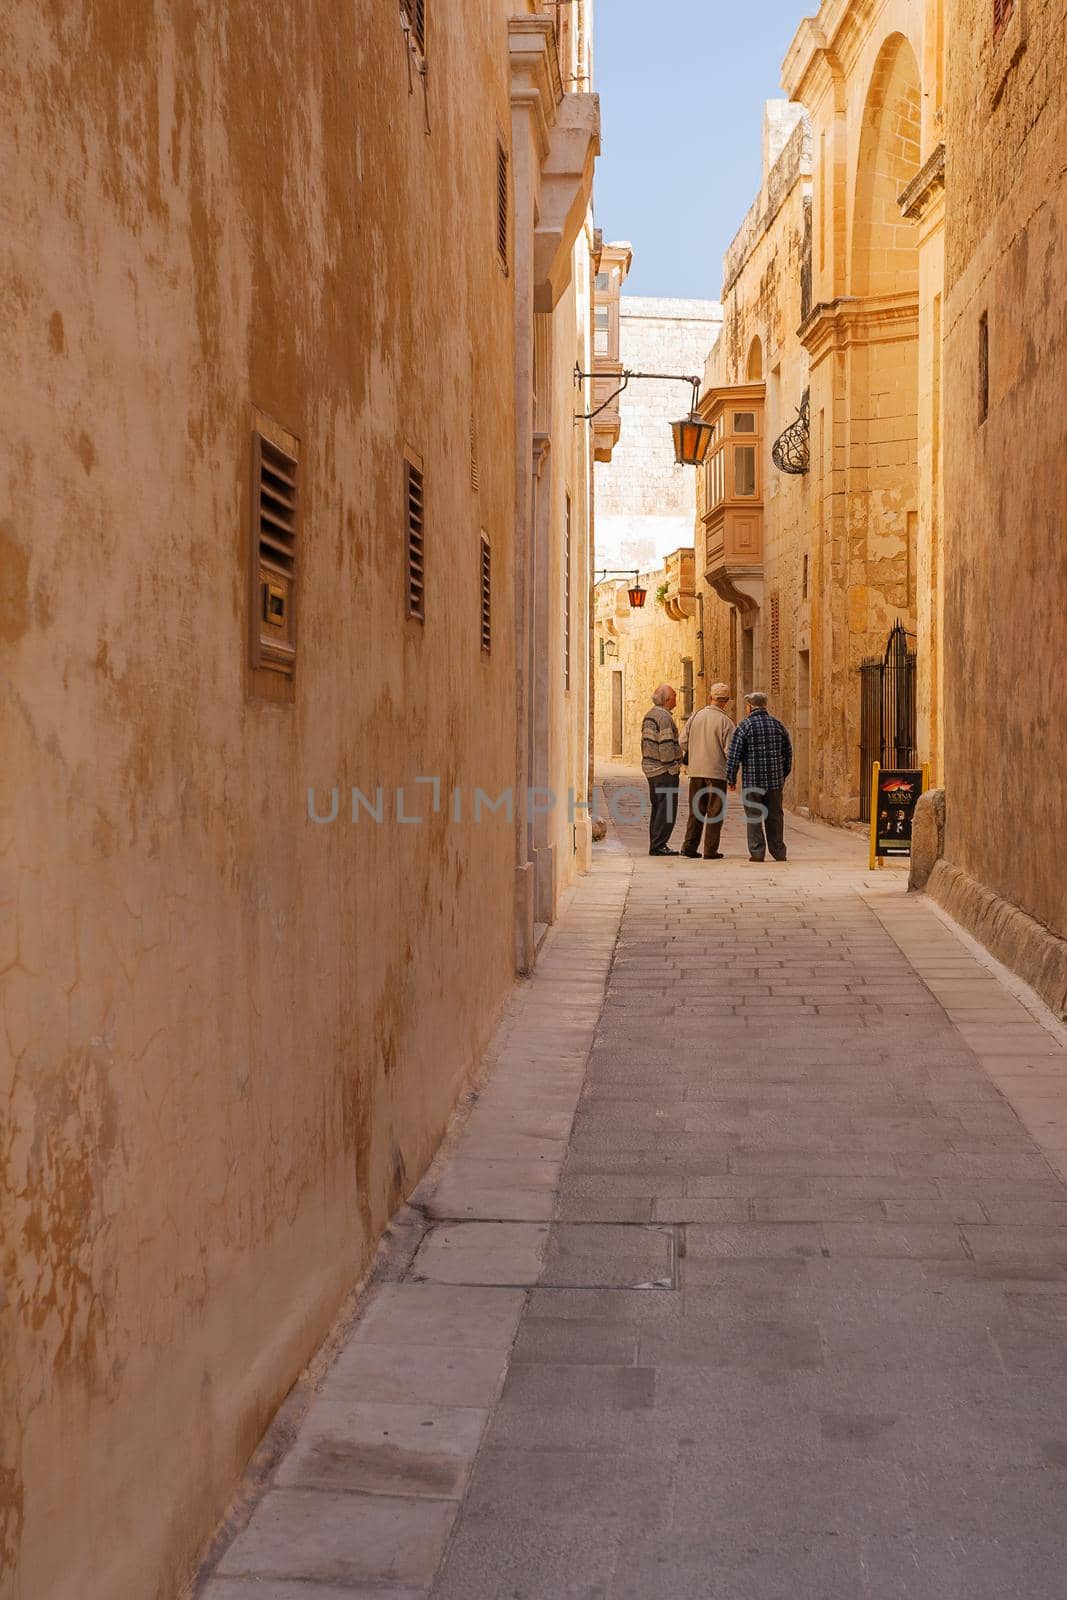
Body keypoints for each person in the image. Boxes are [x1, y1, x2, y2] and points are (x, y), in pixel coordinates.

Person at [726, 691, 793, 862]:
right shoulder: (777, 725)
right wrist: (783, 773)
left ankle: (757, 852)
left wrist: (731, 778)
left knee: (754, 817)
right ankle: (778, 851)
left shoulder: (744, 726)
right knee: (775, 816)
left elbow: (734, 755)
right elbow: (787, 752)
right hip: (774, 781)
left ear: (749, 706)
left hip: (752, 781)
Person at [679, 682, 735, 859]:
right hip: (716, 773)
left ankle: (689, 847)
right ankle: (710, 850)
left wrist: (695, 753)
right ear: (725, 701)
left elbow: (682, 741)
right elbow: (729, 751)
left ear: (710, 698)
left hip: (696, 771)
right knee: (714, 811)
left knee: (696, 810)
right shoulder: (726, 722)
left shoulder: (695, 716)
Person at [641, 684, 682, 856]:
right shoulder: (664, 718)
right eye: (674, 696)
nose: (676, 700)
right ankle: (659, 845)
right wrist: (674, 765)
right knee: (667, 809)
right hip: (663, 770)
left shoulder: (650, 715)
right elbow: (665, 747)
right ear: (666, 699)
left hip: (651, 769)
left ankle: (656, 843)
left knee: (658, 807)